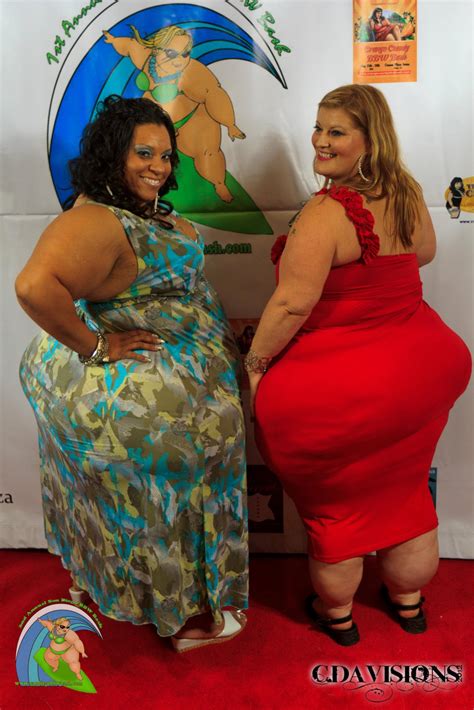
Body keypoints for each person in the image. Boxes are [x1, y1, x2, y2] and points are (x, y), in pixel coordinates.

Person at [16, 95, 248, 652]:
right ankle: (189, 614)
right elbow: (33, 287)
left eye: (166, 155)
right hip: (145, 400)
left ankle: (96, 582)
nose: (159, 167)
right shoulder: (98, 218)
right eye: (143, 153)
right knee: (168, 503)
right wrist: (98, 346)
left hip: (132, 390)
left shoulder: (128, 210)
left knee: (106, 498)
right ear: (112, 154)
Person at [247, 84, 471, 646]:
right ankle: (408, 602)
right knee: (405, 495)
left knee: (338, 515)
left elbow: (291, 304)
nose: (320, 141)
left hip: (346, 392)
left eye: (337, 132)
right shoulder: (407, 192)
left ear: (370, 141)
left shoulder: (325, 214)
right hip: (425, 370)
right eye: (318, 128)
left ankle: (339, 616)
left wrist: (255, 363)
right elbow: (423, 253)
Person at [103, 25, 246, 202]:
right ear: (156, 50)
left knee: (207, 155)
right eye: (171, 53)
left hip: (192, 123)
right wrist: (114, 41)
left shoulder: (193, 72)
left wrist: (230, 124)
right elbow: (129, 46)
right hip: (160, 126)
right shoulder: (148, 60)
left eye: (185, 54)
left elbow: (214, 95)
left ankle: (219, 184)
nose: (179, 60)